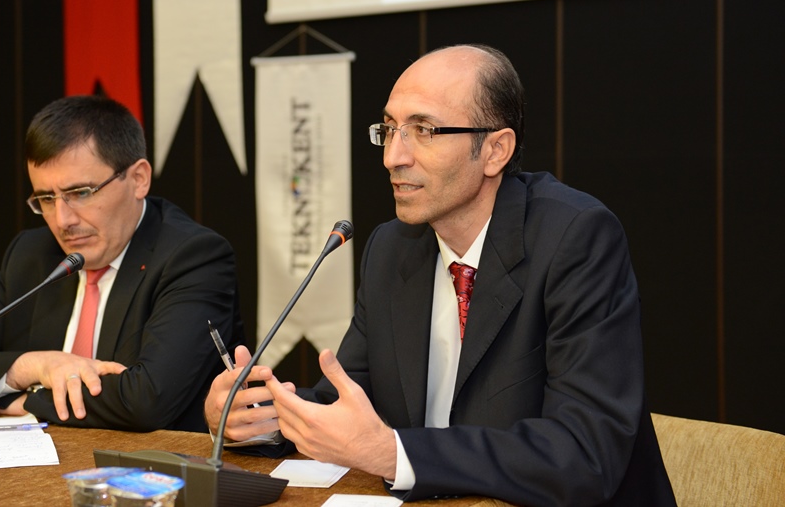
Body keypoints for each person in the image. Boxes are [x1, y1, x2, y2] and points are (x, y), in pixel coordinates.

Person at [205, 45, 676, 506]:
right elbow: (347, 404)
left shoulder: (574, 238)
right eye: (389, 130)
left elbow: (585, 452)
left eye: (423, 130)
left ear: (495, 150)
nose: (393, 156)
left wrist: (396, 455)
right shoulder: (391, 248)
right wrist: (262, 418)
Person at [0, 95, 244, 432]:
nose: (62, 220)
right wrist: (35, 366)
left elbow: (146, 401)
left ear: (139, 179)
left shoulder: (193, 257)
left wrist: (23, 401)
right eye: (45, 198)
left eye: (81, 193)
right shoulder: (34, 254)